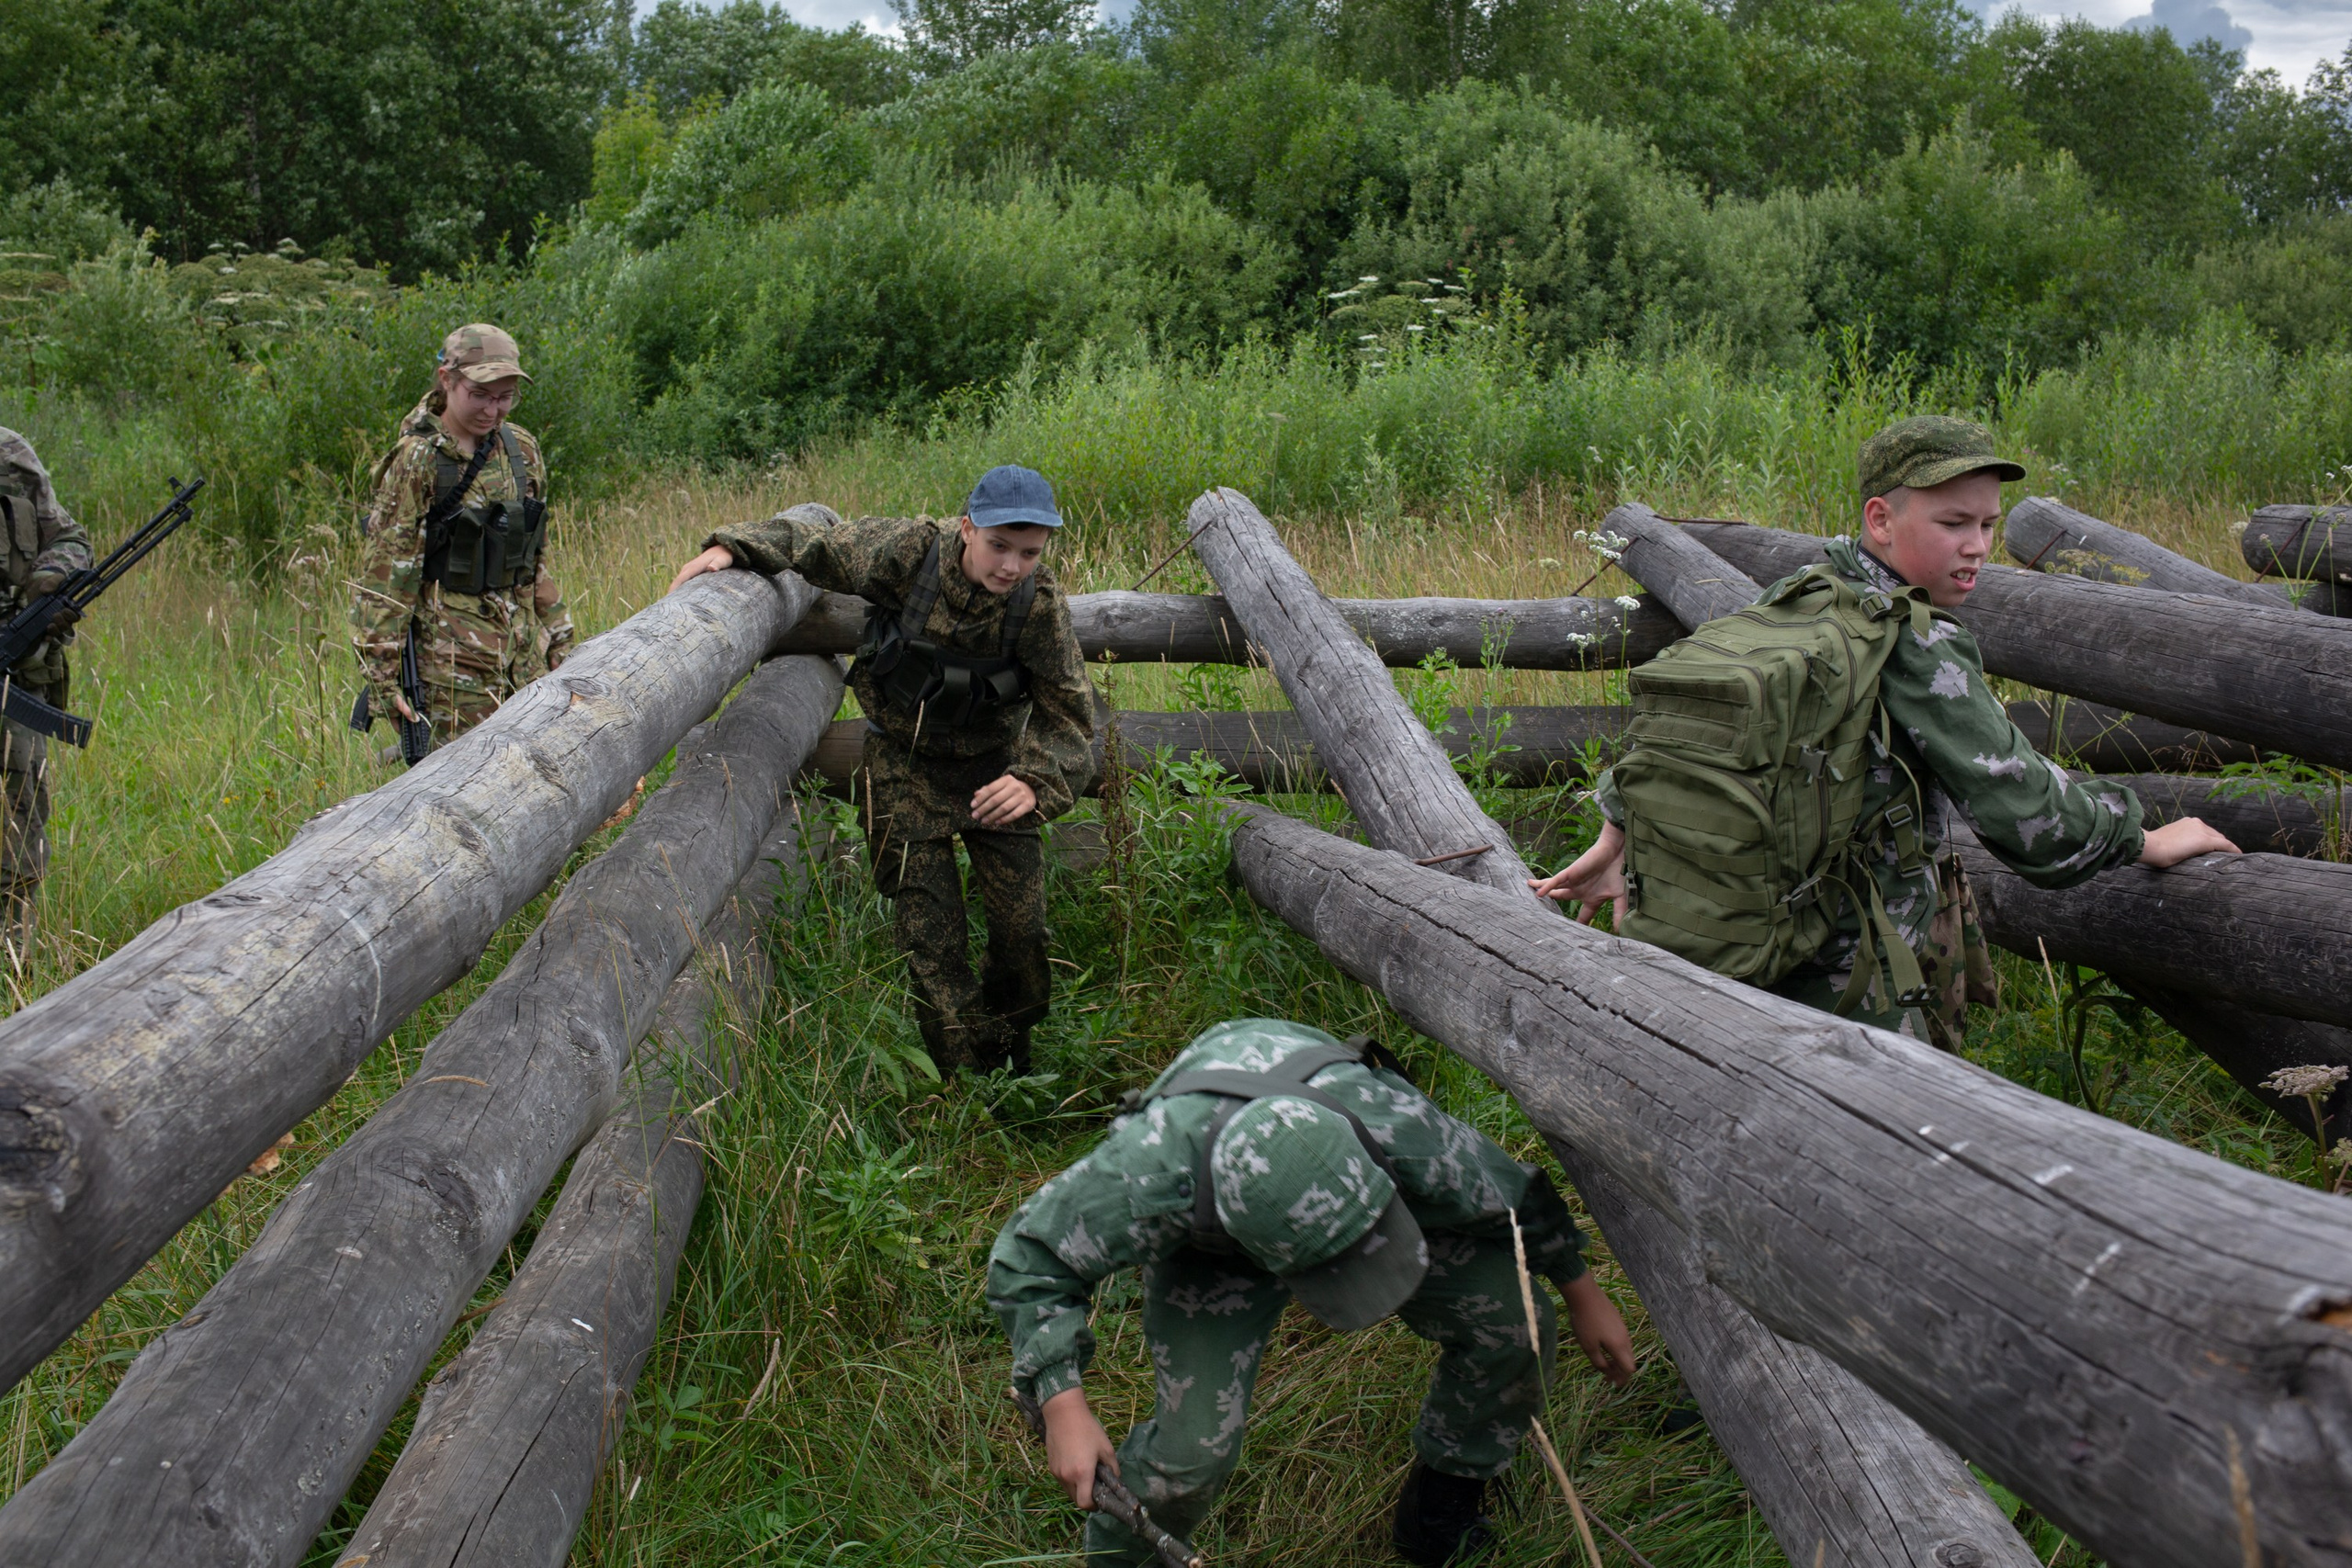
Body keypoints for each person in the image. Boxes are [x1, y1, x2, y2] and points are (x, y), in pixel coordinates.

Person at [1532, 415, 2240, 1045]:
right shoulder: (1915, 638)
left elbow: (1690, 724)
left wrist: (1618, 833)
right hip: (1852, 978)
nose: (1978, 546)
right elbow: (2027, 812)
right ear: (1881, 519)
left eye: (1988, 524)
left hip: (1740, 946)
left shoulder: (1804, 593)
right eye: (1954, 523)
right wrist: (2141, 837)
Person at [989, 1019, 1635, 1567]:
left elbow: (1510, 1195)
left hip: (1358, 1182)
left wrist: (1581, 1290)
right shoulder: (1150, 1175)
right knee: (1191, 1455)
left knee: (1515, 1323)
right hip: (1210, 1246)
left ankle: (1441, 1507)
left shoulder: (1398, 1131)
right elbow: (1029, 1255)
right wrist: (1063, 1404)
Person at [668, 465, 1095, 1075]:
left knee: (1021, 935)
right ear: (968, 528)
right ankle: (963, 1081)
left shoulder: (1038, 605)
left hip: (995, 775)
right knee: (930, 938)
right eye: (999, 545)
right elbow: (818, 544)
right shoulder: (911, 554)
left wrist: (1034, 779)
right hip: (904, 767)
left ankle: (1009, 1056)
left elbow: (1069, 712)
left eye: (1029, 553)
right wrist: (732, 547)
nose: (1011, 566)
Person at [350, 323, 574, 748]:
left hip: (522, 658)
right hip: (451, 670)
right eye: (480, 395)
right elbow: (386, 575)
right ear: (447, 380)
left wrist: (561, 639)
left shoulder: (521, 450)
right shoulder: (419, 459)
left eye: (505, 397)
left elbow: (534, 559)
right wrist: (381, 676)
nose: (493, 410)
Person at [0, 429, 92, 958]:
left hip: (16, 678)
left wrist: (51, 579)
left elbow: (71, 540)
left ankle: (14, 966)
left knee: (22, 824)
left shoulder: (10, 455)